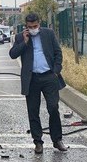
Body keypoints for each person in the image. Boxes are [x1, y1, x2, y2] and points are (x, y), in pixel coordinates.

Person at [9, 13, 67, 154]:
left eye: (35, 26)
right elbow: (12, 54)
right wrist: (25, 42)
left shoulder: (48, 34)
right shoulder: (20, 37)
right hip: (32, 79)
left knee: (53, 108)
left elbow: (58, 53)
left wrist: (56, 71)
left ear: (39, 24)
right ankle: (38, 142)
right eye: (30, 27)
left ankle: (57, 140)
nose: (33, 29)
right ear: (26, 26)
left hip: (49, 77)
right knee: (33, 111)